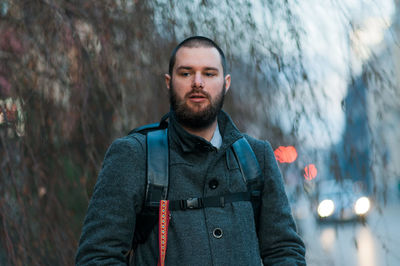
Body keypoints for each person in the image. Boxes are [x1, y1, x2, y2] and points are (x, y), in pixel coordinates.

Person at [75, 36, 306, 265]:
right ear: (169, 82)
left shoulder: (257, 156)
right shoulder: (134, 155)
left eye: (209, 73)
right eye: (186, 73)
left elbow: (284, 251)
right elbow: (97, 257)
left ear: (226, 83)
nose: (198, 82)